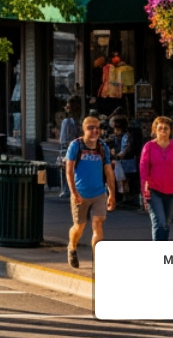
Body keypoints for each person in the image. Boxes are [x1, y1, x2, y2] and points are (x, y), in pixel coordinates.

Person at [64, 115, 115, 268]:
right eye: (90, 128)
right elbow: (69, 171)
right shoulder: (76, 146)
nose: (94, 131)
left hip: (99, 193)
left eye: (97, 128)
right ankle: (72, 248)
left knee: (98, 224)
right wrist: (74, 192)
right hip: (80, 193)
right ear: (84, 129)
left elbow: (108, 171)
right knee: (79, 226)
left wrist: (112, 193)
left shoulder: (102, 147)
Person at [139, 115, 173, 242]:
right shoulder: (149, 147)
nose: (163, 131)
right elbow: (143, 170)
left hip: (171, 190)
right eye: (160, 128)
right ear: (155, 130)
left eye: (166, 128)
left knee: (166, 223)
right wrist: (144, 190)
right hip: (154, 189)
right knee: (159, 222)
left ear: (171, 130)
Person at [56, 104, 78, 198]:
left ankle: (66, 189)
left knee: (67, 168)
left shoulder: (68, 121)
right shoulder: (67, 121)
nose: (66, 108)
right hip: (68, 145)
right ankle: (67, 189)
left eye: (68, 107)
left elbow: (64, 137)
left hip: (68, 145)